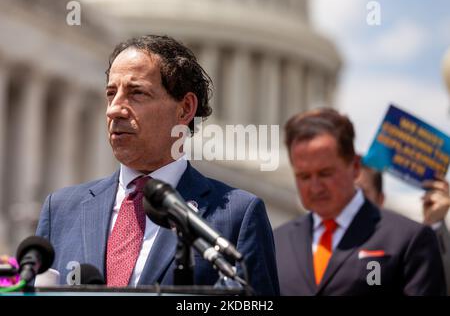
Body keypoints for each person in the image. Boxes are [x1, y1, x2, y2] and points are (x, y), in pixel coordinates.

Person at [35, 35, 279, 295]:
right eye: (110, 93)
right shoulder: (60, 210)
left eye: (136, 93)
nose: (114, 109)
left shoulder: (237, 216)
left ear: (185, 109)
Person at [274, 107, 446, 295]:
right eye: (304, 176)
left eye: (325, 174)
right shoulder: (275, 243)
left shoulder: (408, 239)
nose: (315, 187)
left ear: (355, 166)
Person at [356, 164, 450, 295]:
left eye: (360, 192)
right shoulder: (318, 238)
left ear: (380, 199)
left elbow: (436, 284)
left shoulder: (402, 245)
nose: (351, 201)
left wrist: (434, 224)